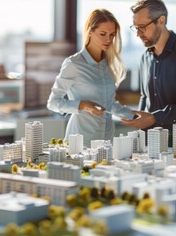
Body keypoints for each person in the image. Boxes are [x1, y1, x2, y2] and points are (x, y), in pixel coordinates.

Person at [121, 0, 176, 144]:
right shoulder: (145, 57)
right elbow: (145, 97)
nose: (138, 34)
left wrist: (157, 117)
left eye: (143, 27)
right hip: (156, 144)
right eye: (136, 28)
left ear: (161, 21)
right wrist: (139, 125)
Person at [47, 9, 134, 147]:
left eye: (112, 35)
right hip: (80, 143)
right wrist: (81, 105)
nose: (108, 40)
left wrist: (134, 115)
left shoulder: (108, 64)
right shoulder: (74, 64)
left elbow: (108, 104)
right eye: (103, 34)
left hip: (107, 143)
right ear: (90, 32)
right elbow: (53, 103)